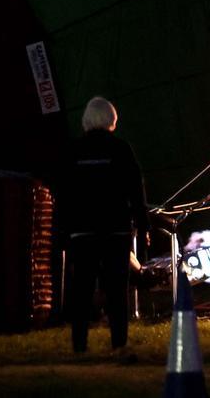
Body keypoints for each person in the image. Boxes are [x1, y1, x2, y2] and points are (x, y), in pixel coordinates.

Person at [60, 97, 149, 353]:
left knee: (82, 288)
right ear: (112, 120)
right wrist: (142, 224)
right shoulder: (121, 148)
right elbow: (135, 188)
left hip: (83, 230)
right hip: (116, 228)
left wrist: (65, 230)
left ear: (86, 119)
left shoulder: (74, 150)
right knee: (116, 289)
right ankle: (118, 342)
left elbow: (64, 191)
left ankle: (79, 344)